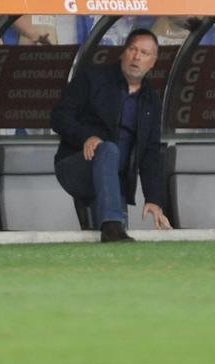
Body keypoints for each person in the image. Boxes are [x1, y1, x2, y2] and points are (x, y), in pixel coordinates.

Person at [51, 27, 171, 242]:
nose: (137, 57)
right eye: (133, 49)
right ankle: (112, 224)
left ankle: (112, 228)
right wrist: (86, 136)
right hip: (76, 166)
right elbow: (59, 117)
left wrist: (153, 199)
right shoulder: (92, 79)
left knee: (115, 240)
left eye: (144, 53)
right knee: (107, 149)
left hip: (116, 181)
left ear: (153, 62)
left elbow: (151, 151)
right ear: (122, 53)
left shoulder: (151, 100)